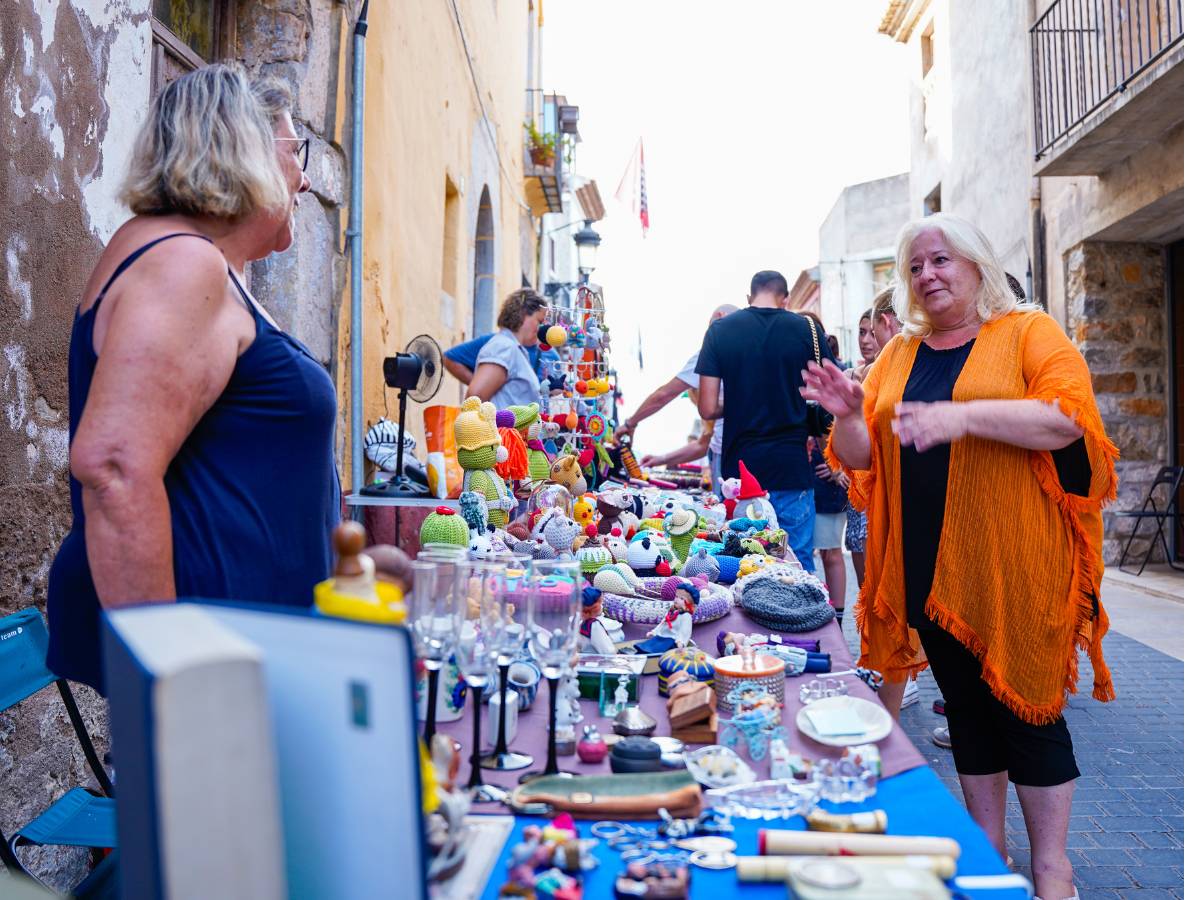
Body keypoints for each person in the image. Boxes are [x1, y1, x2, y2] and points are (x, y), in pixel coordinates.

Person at [803, 212, 1117, 900]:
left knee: (1031, 714)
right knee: (968, 712)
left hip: (1017, 565)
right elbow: (860, 460)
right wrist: (850, 414)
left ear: (976, 263)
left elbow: (1069, 418)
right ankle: (986, 853)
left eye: (940, 260)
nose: (927, 276)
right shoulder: (900, 354)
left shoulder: (1029, 332)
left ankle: (1053, 870)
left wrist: (962, 415)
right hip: (924, 567)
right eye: (914, 267)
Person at [46, 65, 338, 694]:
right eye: (296, 152)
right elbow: (115, 468)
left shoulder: (190, 259)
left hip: (240, 641)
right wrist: (172, 679)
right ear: (246, 148)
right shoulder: (183, 262)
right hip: (210, 659)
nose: (305, 178)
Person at [697, 272, 831, 572]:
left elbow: (706, 407)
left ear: (749, 297)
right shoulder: (806, 328)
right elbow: (829, 394)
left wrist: (744, 400)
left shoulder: (720, 331)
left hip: (741, 476)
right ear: (786, 300)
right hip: (791, 467)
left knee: (745, 564)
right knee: (796, 562)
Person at [616, 304, 737, 477]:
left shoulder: (714, 351)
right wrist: (660, 459)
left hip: (728, 457)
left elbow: (664, 395)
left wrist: (630, 423)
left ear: (720, 316)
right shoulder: (755, 351)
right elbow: (703, 444)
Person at [466, 288, 548, 407]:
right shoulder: (504, 346)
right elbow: (475, 398)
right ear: (523, 313)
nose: (541, 328)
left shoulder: (514, 348)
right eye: (539, 321)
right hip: (501, 426)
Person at [443, 331, 559, 387]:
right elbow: (450, 358)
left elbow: (559, 392)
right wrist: (481, 386)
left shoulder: (551, 356)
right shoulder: (493, 341)